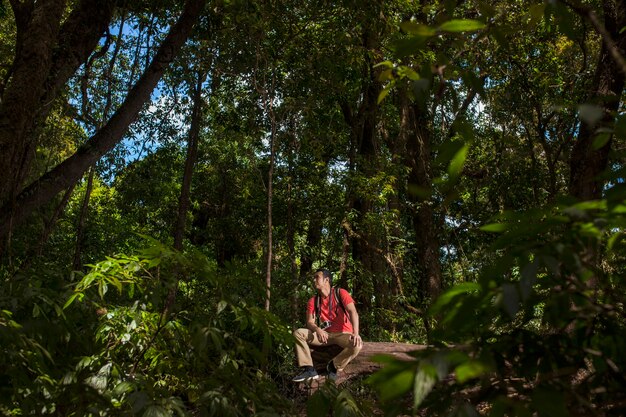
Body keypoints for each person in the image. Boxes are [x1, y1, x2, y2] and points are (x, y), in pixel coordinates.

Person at [292, 268, 362, 382]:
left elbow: (353, 312)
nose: (314, 280)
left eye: (317, 277)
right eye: (314, 278)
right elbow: (310, 322)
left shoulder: (340, 293)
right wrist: (318, 330)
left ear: (326, 280)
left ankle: (333, 366)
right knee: (298, 333)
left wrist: (356, 333)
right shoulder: (313, 301)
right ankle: (309, 370)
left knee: (356, 345)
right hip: (324, 335)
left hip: (343, 334)